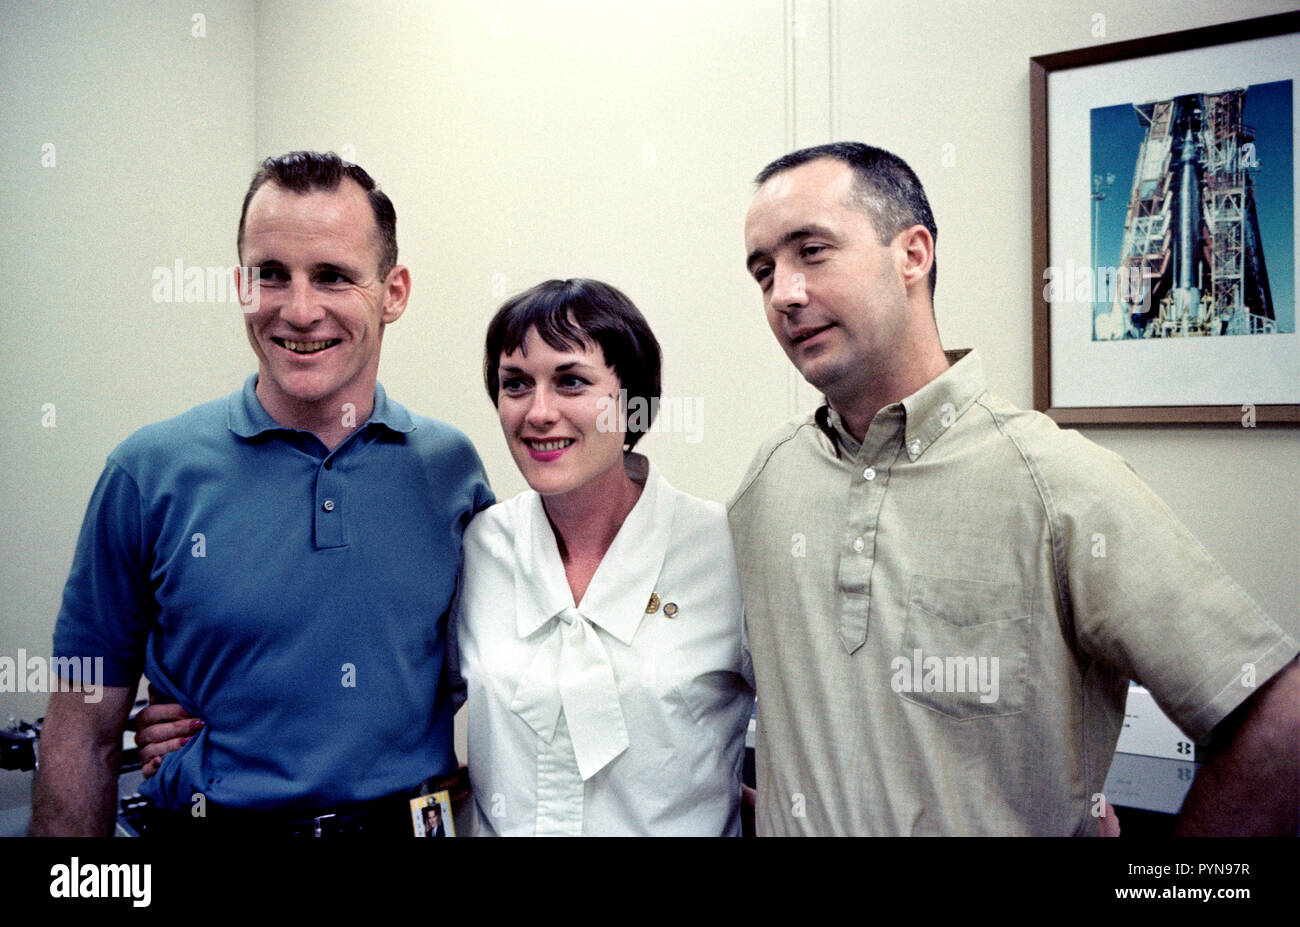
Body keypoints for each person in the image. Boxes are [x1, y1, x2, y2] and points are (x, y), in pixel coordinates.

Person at [731, 141, 1300, 836]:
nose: (784, 293)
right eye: (764, 271)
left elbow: (1279, 716)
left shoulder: (1054, 481)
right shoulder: (768, 480)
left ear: (912, 254)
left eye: (811, 251)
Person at [30, 151, 491, 836]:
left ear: (393, 291)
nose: (299, 310)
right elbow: (84, 730)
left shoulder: (452, 472)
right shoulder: (145, 472)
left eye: (332, 276)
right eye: (271, 274)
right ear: (241, 284)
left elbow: (495, 684)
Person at [452, 278, 754, 835]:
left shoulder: (724, 549)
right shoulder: (480, 548)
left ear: (632, 403)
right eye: (516, 384)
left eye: (570, 382)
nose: (538, 412)